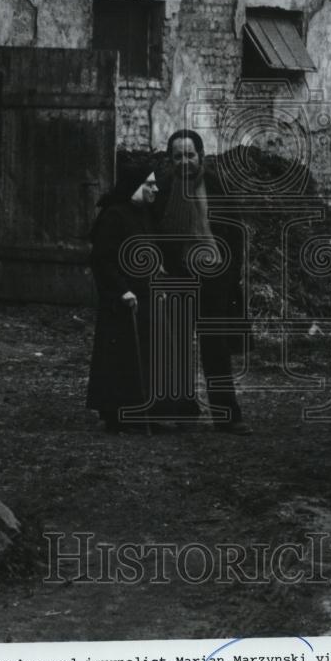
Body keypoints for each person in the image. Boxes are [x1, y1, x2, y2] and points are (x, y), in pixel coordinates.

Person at [155, 129, 251, 435]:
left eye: (190, 155)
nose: (185, 161)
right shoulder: (163, 188)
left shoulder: (216, 186)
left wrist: (230, 273)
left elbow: (235, 233)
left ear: (201, 157)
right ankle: (185, 411)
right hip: (178, 278)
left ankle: (228, 416)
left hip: (214, 279)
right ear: (170, 160)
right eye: (178, 156)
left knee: (216, 348)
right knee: (179, 348)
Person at [86, 157, 160, 433]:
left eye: (155, 185)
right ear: (134, 186)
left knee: (143, 354)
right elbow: (102, 259)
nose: (155, 190)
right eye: (150, 184)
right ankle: (117, 413)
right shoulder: (114, 215)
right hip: (123, 299)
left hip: (145, 296)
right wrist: (121, 290)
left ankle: (142, 410)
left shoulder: (144, 214)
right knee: (120, 356)